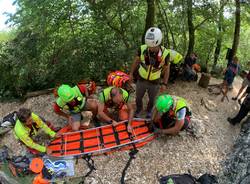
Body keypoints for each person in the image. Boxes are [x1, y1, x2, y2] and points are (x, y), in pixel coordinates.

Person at [129, 27, 170, 118]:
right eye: (149, 46)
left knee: (152, 99)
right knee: (138, 97)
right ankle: (139, 110)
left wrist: (164, 83)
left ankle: (149, 111)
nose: (150, 48)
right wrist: (131, 73)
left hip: (155, 81)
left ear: (158, 42)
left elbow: (167, 69)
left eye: (153, 47)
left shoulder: (165, 54)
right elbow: (136, 61)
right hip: (141, 78)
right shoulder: (142, 49)